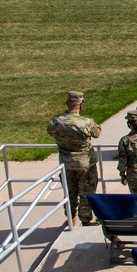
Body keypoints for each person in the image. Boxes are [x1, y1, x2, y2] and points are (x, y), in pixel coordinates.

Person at [47, 91, 102, 225]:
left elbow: (50, 132)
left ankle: (71, 219)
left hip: (66, 164)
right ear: (81, 105)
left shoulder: (56, 121)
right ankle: (86, 220)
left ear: (67, 103)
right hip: (85, 164)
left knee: (70, 193)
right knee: (86, 192)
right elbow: (97, 133)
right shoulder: (86, 122)